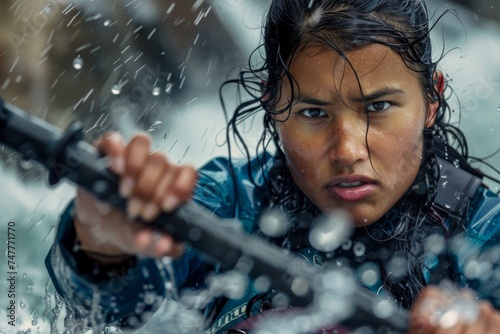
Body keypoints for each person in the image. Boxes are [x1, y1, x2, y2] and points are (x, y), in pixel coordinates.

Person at [45, 0, 500, 333]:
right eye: (313, 114)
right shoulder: (227, 203)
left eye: (378, 107)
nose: (346, 151)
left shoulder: (486, 238)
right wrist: (100, 246)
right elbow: (105, 312)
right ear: (271, 103)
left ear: (432, 99)